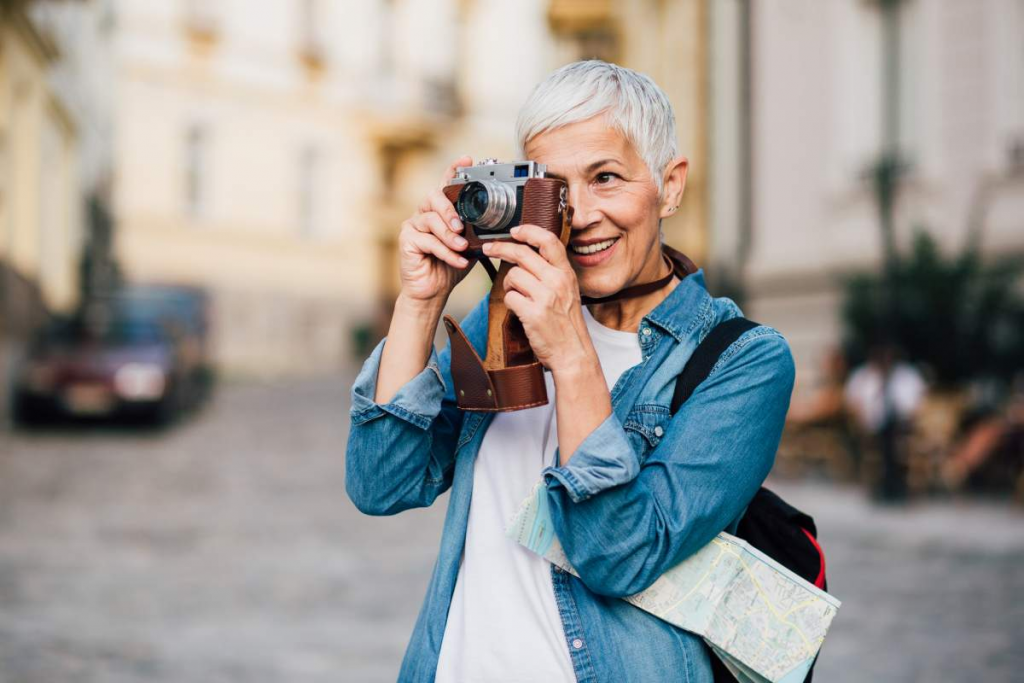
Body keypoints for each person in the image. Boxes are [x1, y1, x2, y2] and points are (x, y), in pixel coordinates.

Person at [345, 60, 795, 683]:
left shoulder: (741, 359)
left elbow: (618, 553)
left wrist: (572, 353)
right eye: (556, 186)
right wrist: (421, 302)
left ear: (670, 185)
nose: (578, 215)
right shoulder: (506, 315)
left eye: (606, 177)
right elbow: (381, 483)